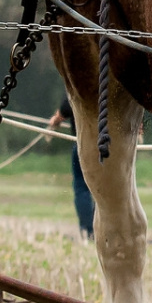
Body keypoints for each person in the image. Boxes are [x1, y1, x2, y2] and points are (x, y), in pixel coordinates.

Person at [48, 96, 95, 240]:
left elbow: (64, 111)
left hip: (83, 145)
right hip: (110, 145)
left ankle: (88, 230)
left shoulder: (79, 83)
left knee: (81, 187)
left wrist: (53, 123)